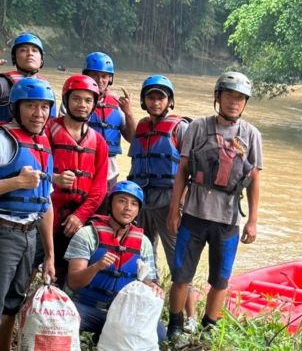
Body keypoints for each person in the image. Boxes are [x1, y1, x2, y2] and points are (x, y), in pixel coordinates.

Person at [166, 71, 262, 337]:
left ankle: (209, 326)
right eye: (230, 95)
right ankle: (175, 324)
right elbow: (183, 171)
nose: (234, 102)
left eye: (240, 98)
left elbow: (254, 180)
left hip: (228, 220)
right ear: (218, 97)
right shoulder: (198, 127)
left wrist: (253, 221)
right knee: (181, 275)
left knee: (220, 279)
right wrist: (174, 211)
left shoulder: (251, 135)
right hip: (194, 215)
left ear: (245, 103)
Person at [126, 75, 198, 330]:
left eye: (160, 97)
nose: (155, 102)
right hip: (141, 201)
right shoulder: (143, 126)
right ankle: (149, 307)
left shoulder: (181, 128)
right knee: (143, 256)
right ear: (144, 101)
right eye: (151, 97)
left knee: (179, 261)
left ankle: (190, 317)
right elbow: (135, 145)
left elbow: (193, 170)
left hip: (169, 202)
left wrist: (179, 207)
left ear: (170, 101)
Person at [64, 180, 165, 343]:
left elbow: (148, 281)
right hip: (85, 307)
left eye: (134, 204)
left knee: (159, 334)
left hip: (123, 312)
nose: (128, 208)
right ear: (110, 204)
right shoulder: (87, 234)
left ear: (138, 210)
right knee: (63, 321)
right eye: (122, 201)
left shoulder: (143, 242)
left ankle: (104, 338)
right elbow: (74, 282)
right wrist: (96, 267)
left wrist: (154, 287)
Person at [0, 78, 56, 350]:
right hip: (3, 230)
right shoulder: (3, 140)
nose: (38, 113)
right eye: (31, 106)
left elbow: (45, 204)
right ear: (16, 108)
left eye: (44, 107)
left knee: (13, 302)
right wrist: (16, 183)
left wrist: (50, 254)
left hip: (29, 234)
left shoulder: (43, 146)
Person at [46, 75, 109, 285]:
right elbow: (34, 169)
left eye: (88, 100)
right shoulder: (47, 130)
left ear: (94, 104)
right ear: (66, 100)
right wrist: (54, 179)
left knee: (66, 275)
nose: (82, 105)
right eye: (77, 99)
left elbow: (99, 187)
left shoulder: (99, 142)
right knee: (32, 267)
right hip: (47, 214)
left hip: (77, 219)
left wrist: (80, 216)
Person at [82, 52, 136, 195]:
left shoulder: (117, 104)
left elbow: (132, 139)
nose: (100, 80)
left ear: (110, 78)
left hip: (109, 172)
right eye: (95, 75)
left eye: (104, 76)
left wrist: (129, 112)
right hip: (81, 168)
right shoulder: (74, 100)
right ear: (87, 75)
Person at [0, 33, 57, 121]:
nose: (30, 54)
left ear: (41, 60)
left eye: (34, 50)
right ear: (14, 58)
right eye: (23, 50)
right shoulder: (3, 83)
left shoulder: (47, 87)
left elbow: (51, 121)